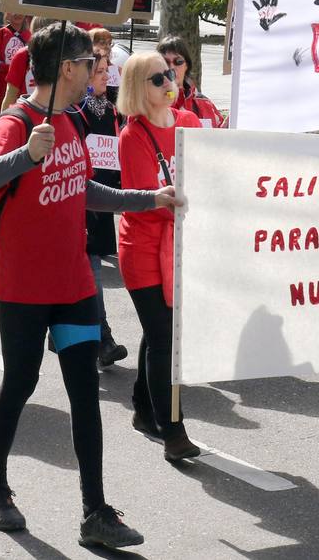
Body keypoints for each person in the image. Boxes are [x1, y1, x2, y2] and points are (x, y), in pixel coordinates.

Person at [0, 22, 180, 549]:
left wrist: (150, 198)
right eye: (89, 62)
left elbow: (83, 190)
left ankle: (95, 513)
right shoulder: (19, 124)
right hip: (23, 288)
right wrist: (26, 156)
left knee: (85, 395)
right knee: (20, 383)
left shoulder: (69, 123)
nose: (96, 71)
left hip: (75, 285)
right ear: (66, 67)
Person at [115, 50, 204, 460]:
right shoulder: (132, 136)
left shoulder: (189, 122)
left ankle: (142, 407)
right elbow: (140, 201)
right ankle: (174, 431)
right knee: (166, 338)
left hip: (181, 243)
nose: (168, 81)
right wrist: (169, 203)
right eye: (156, 78)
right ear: (137, 88)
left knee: (158, 333)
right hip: (144, 248)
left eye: (169, 73)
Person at [79, 43, 128, 367]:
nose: (106, 76)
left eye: (108, 70)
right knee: (90, 275)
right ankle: (104, 339)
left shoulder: (109, 109)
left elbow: (112, 155)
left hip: (100, 203)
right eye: (100, 71)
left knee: (86, 276)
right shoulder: (76, 110)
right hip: (78, 204)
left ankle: (64, 335)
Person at [156, 35, 225, 128]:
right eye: (165, 62)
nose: (171, 67)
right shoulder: (148, 103)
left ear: (187, 65)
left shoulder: (203, 103)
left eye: (178, 61)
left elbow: (218, 137)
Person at [0, 13, 31, 112]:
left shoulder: (31, 35)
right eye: (13, 10)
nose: (17, 14)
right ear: (7, 14)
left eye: (20, 11)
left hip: (24, 85)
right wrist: (5, 67)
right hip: (1, 84)